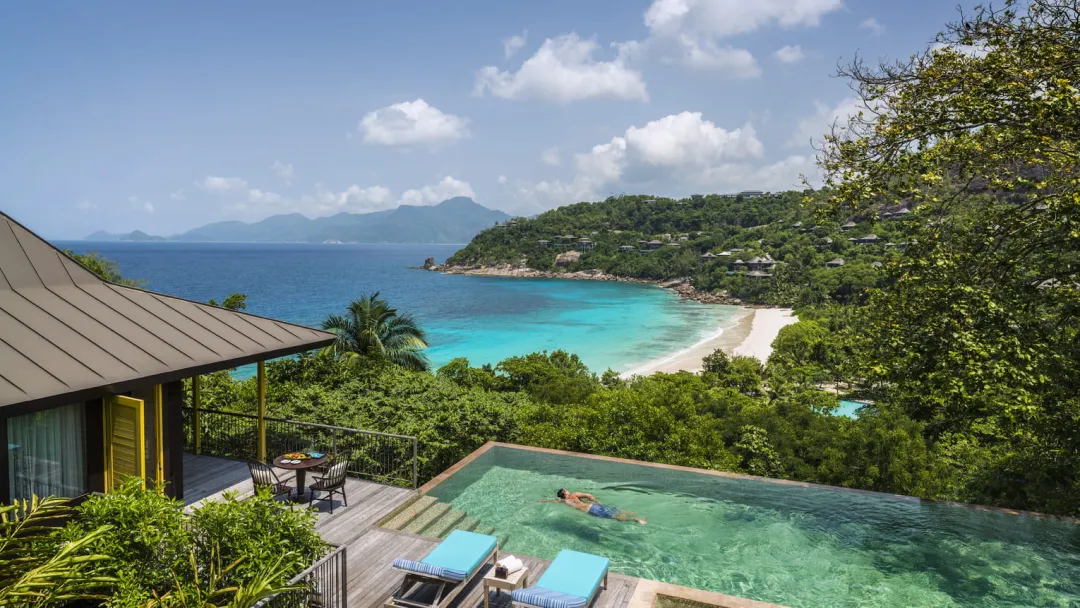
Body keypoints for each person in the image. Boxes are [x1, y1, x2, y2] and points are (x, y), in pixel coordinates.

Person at [538, 488, 646, 524]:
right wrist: (597, 502)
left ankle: (635, 519)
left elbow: (550, 500)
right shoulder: (574, 495)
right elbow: (588, 495)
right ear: (566, 493)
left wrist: (538, 500)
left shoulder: (564, 502)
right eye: (566, 490)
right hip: (593, 507)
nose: (568, 491)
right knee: (616, 511)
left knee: (614, 517)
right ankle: (635, 516)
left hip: (591, 512)